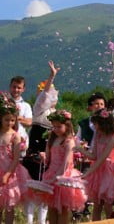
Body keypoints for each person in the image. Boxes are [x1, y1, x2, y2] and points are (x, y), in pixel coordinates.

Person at [74, 108, 114, 221]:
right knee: (97, 205)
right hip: (98, 171)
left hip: (109, 171)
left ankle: (111, 222)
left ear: (103, 124)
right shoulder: (98, 136)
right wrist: (80, 148)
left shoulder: (112, 138)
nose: (95, 126)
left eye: (96, 124)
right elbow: (94, 156)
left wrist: (87, 172)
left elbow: (102, 159)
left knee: (108, 205)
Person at [23, 60, 59, 224]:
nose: (53, 97)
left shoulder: (56, 114)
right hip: (36, 154)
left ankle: (43, 221)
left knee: (46, 191)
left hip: (49, 155)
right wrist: (51, 77)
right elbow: (44, 96)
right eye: (51, 94)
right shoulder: (38, 110)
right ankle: (30, 222)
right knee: (33, 190)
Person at [38, 110, 87, 224]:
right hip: (51, 173)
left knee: (63, 208)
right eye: (54, 127)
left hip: (64, 177)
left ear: (67, 126)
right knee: (52, 207)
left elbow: (67, 162)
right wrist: (44, 156)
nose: (55, 129)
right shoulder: (52, 139)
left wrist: (56, 178)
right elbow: (49, 159)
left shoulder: (69, 141)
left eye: (59, 127)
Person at [0, 92, 30, 224]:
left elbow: (16, 158)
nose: (9, 123)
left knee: (9, 205)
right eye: (6, 119)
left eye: (12, 120)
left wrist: (7, 174)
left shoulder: (15, 136)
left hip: (10, 172)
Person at [9, 75, 32, 156]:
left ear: (23, 89)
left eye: (19, 88)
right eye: (14, 87)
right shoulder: (2, 102)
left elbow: (29, 123)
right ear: (10, 87)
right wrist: (21, 119)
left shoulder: (26, 106)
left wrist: (14, 117)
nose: (16, 90)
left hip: (20, 140)